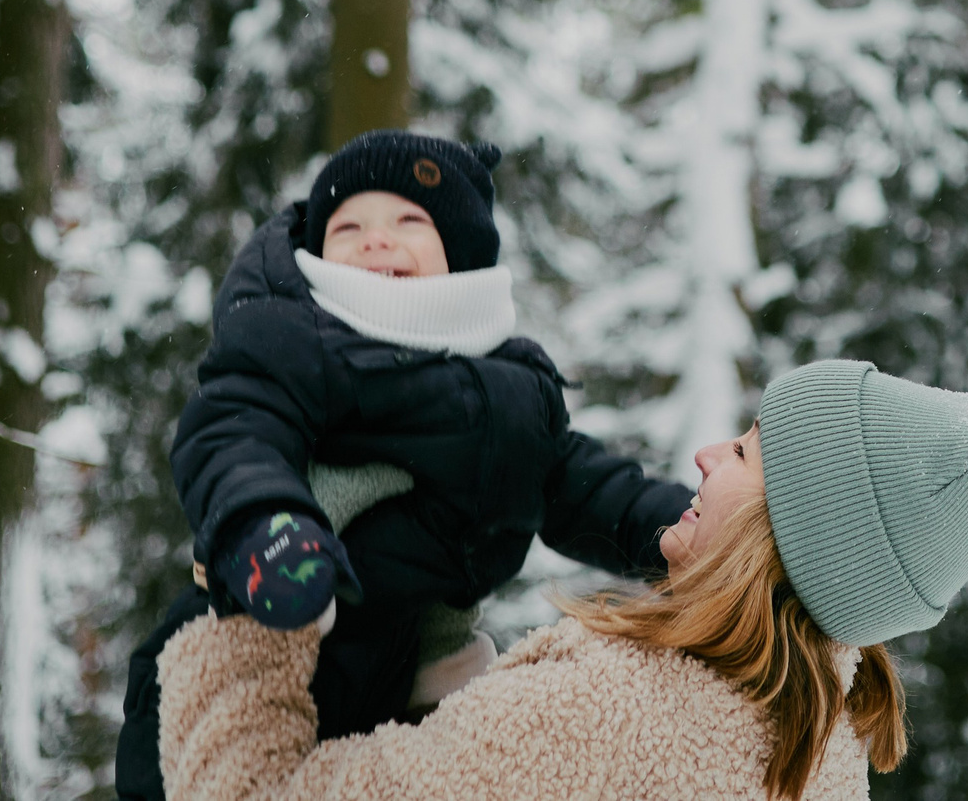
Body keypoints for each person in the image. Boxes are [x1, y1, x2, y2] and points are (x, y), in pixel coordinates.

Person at [158, 359, 968, 801]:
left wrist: (250, 591)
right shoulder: (821, 751)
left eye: (745, 451)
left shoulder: (596, 722)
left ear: (788, 527)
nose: (706, 456)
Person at [114, 131, 694, 801]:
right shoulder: (289, 338)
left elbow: (592, 488)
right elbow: (234, 433)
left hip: (409, 698)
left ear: (462, 253)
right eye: (348, 224)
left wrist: (692, 534)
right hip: (258, 645)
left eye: (408, 220)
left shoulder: (512, 394)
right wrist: (266, 522)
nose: (374, 238)